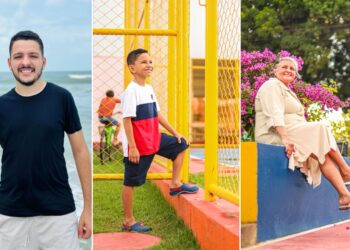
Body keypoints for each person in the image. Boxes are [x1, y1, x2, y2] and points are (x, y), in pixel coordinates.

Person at [0, 30, 91, 249]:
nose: (26, 62)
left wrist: (88, 208)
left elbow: (79, 151)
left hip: (58, 214)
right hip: (10, 215)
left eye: (33, 56)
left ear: (43, 61)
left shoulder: (61, 98)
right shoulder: (1, 106)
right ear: (9, 63)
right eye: (18, 56)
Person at [255, 56, 350, 210]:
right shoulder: (272, 85)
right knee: (320, 128)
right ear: (275, 70)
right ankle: (345, 170)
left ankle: (344, 195)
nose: (288, 70)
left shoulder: (288, 91)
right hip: (277, 132)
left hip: (295, 130)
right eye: (284, 67)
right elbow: (275, 113)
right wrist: (285, 138)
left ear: (296, 75)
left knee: (322, 153)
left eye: (292, 69)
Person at [121, 48, 198, 232]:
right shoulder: (131, 91)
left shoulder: (148, 88)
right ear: (132, 68)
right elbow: (126, 120)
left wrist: (175, 132)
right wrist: (132, 147)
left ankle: (175, 184)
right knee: (130, 183)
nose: (149, 65)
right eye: (143, 62)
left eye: (150, 61)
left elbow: (157, 113)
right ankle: (128, 221)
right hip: (139, 146)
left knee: (181, 144)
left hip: (154, 138)